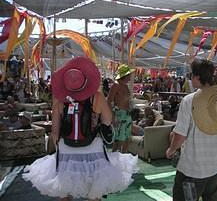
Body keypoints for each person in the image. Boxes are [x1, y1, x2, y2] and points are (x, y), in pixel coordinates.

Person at [23, 57, 138, 201]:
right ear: (86, 80)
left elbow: (54, 132)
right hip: (93, 148)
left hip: (67, 149)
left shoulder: (60, 99)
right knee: (94, 191)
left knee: (65, 191)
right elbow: (108, 121)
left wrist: (58, 146)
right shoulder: (97, 97)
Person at [166, 59, 217, 201]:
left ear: (197, 77)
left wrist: (171, 150)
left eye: (191, 75)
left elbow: (180, 135)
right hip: (215, 167)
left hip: (192, 169)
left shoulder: (189, 101)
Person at [107, 64, 135, 153]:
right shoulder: (116, 85)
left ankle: (124, 160)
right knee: (119, 141)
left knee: (127, 139)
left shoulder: (126, 86)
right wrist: (113, 116)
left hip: (127, 114)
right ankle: (115, 162)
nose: (130, 76)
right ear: (125, 76)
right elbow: (108, 101)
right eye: (129, 75)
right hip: (119, 114)